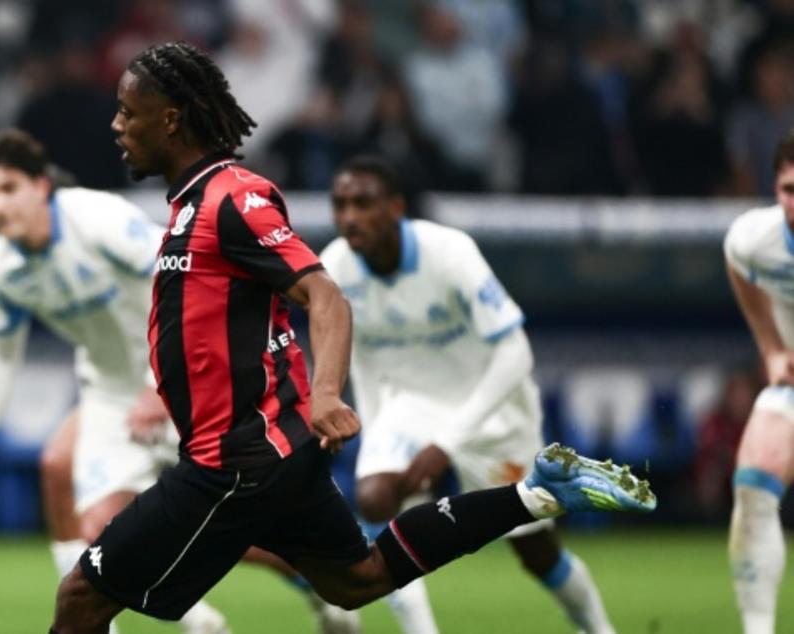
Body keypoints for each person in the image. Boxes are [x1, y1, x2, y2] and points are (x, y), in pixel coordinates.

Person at [48, 41, 656, 634]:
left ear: (172, 119)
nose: (117, 124)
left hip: (234, 461)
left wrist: (328, 394)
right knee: (357, 577)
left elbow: (325, 295)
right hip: (268, 452)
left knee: (80, 597)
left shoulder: (234, 198)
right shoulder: (190, 206)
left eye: (129, 112)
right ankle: (535, 495)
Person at [0, 129, 229, 634]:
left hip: (191, 375)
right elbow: (2, 354)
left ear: (41, 185)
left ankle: (323, 595)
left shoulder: (97, 219)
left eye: (9, 189)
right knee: (100, 529)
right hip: (112, 397)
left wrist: (155, 381)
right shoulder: (2, 270)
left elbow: (183, 279)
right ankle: (189, 618)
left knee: (246, 530)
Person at [320, 155, 616, 634]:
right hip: (410, 404)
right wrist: (378, 433)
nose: (350, 216)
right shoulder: (335, 267)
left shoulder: (449, 252)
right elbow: (365, 358)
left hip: (490, 408)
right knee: (375, 496)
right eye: (340, 205)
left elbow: (515, 352)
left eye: (363, 203)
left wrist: (448, 443)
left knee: (536, 552)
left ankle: (599, 629)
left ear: (395, 207)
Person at [723, 128, 794, 634]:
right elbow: (740, 267)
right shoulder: (754, 239)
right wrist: (771, 347)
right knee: (752, 484)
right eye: (791, 189)